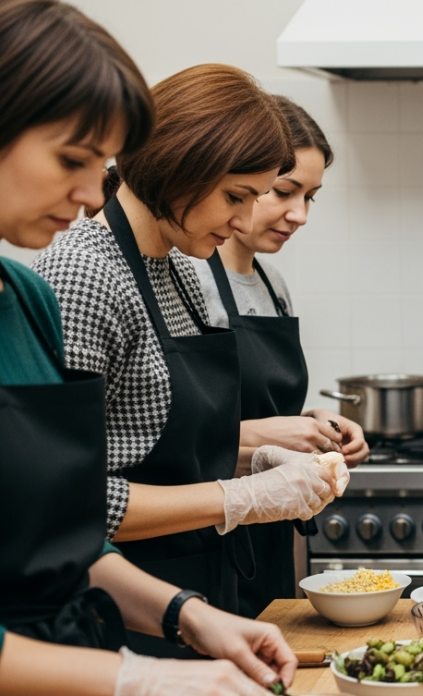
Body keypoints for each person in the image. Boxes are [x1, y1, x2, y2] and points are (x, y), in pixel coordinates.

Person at [0, 2, 298, 693]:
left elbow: (63, 535)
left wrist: (189, 617)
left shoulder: (26, 299)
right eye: (73, 159)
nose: (88, 192)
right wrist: (140, 679)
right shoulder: (77, 272)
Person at [33, 63, 340, 657]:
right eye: (236, 196)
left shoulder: (178, 274)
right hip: (116, 619)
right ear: (180, 165)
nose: (247, 220)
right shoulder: (82, 276)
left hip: (194, 601)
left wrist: (249, 462)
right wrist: (240, 498)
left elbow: (163, 448)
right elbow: (64, 504)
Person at [190, 95, 367, 619]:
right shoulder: (189, 280)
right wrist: (267, 435)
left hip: (270, 526)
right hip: (207, 530)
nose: (301, 215)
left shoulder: (272, 283)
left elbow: (254, 401)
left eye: (311, 197)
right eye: (284, 192)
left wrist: (313, 422)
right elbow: (175, 437)